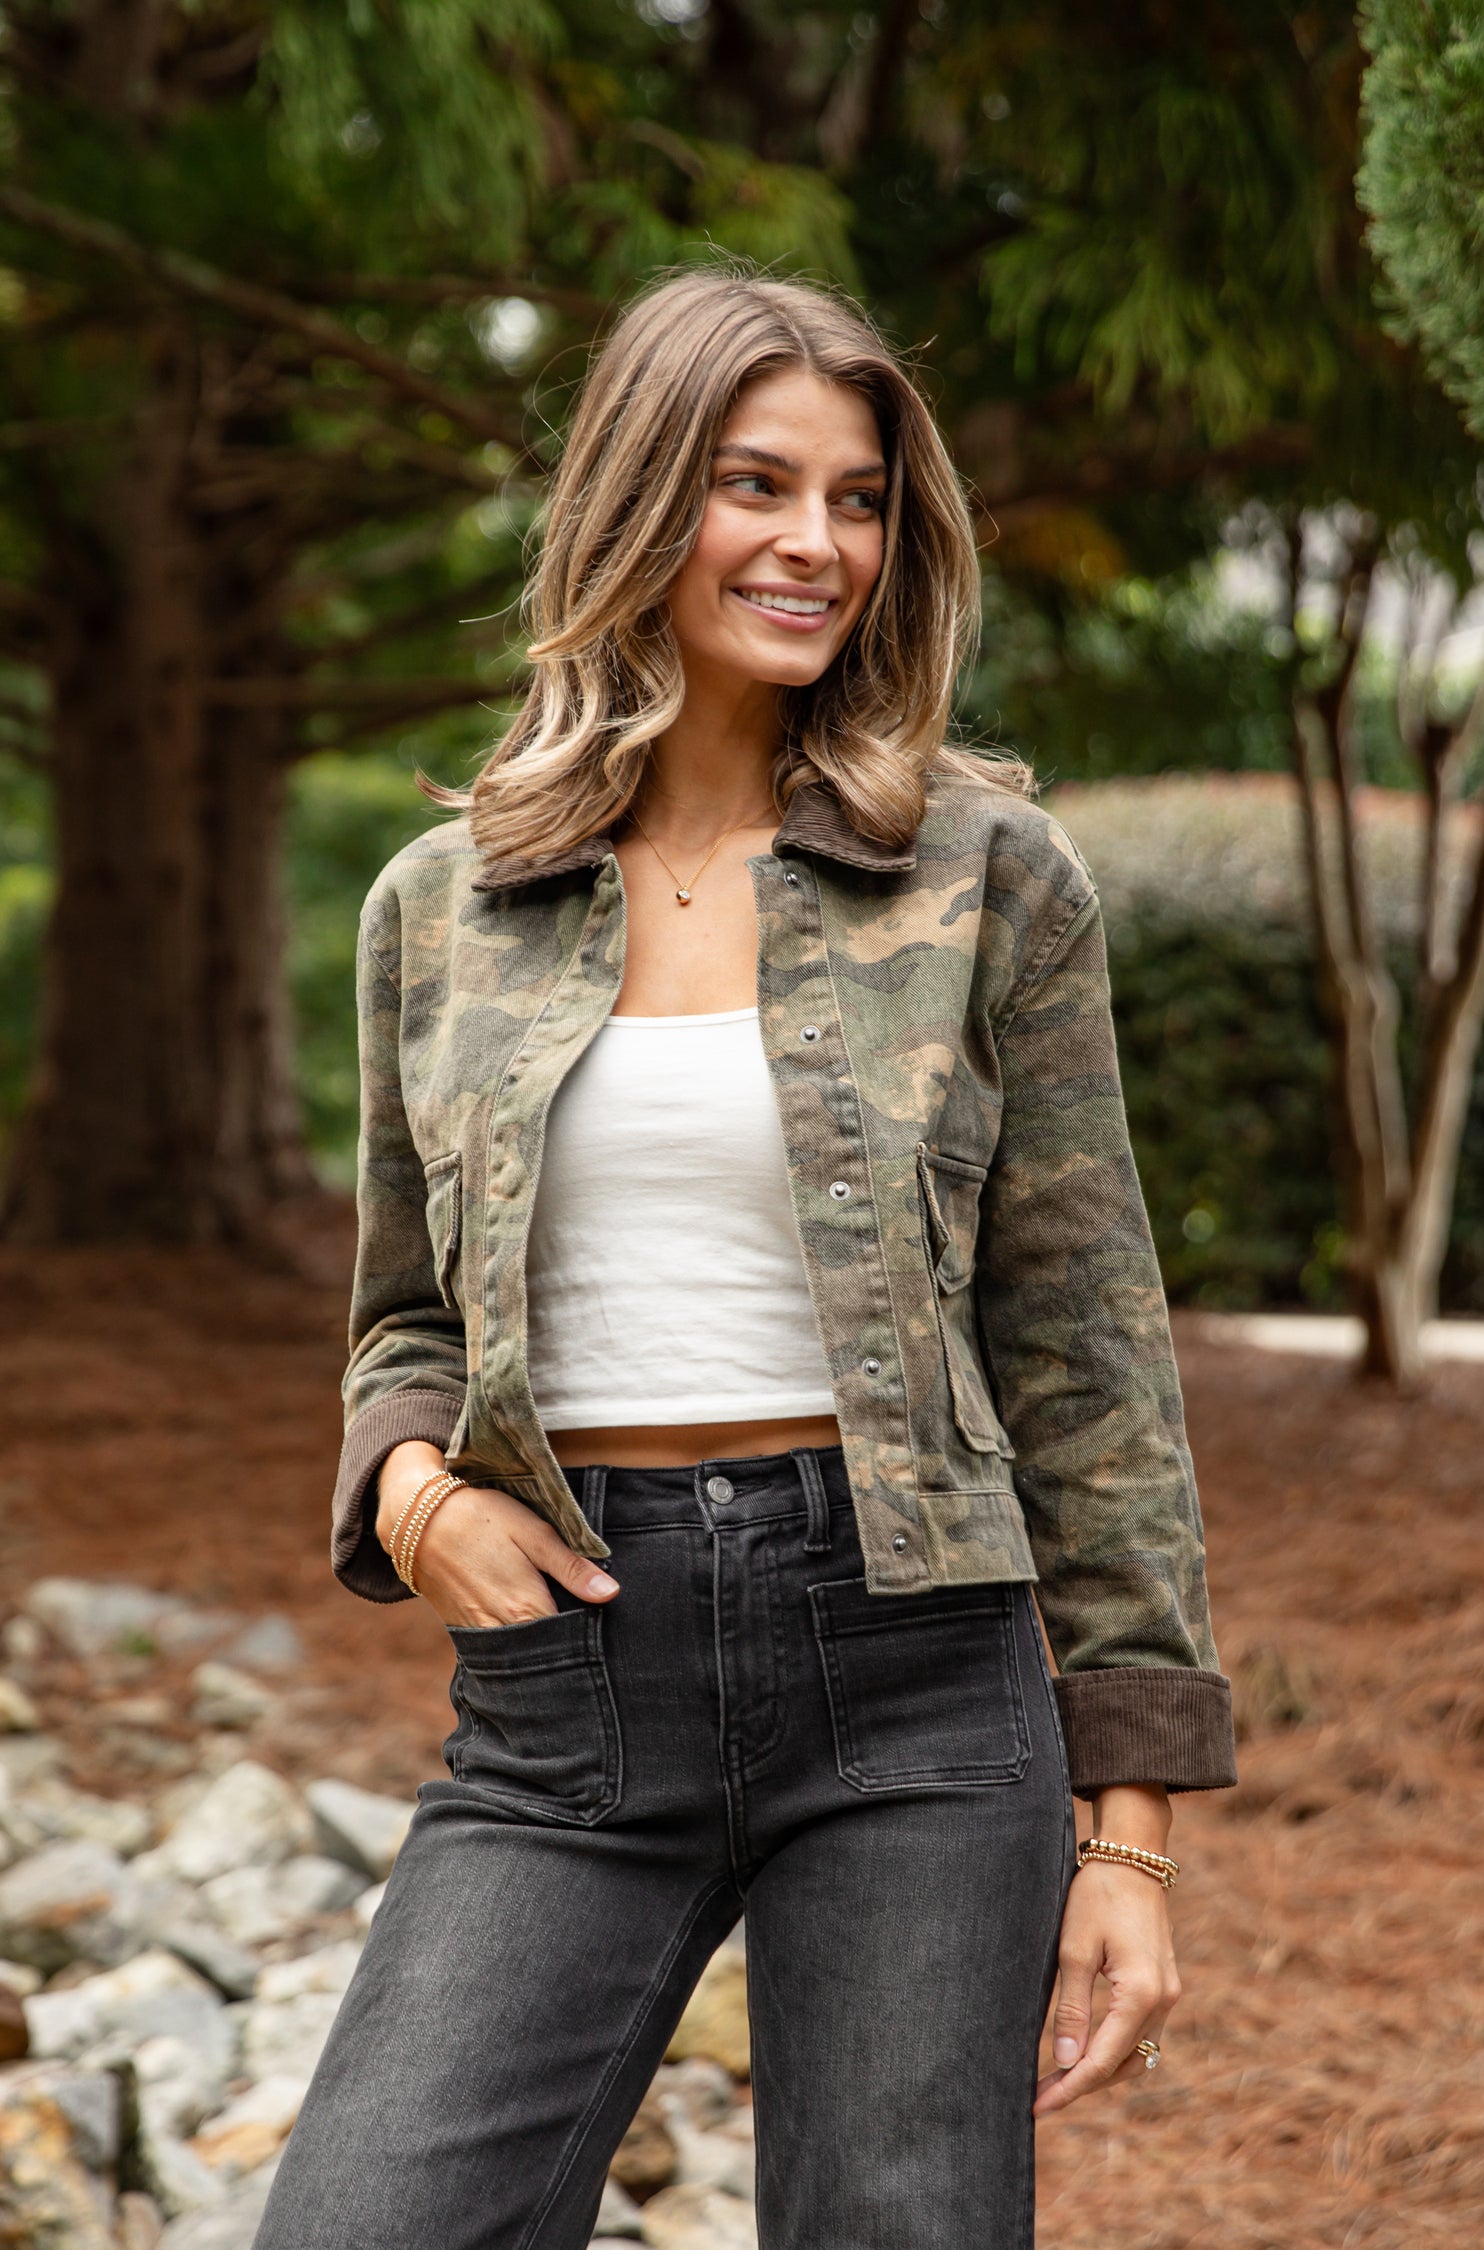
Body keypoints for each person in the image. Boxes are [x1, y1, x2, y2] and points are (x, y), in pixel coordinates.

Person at [254, 266, 1236, 2250]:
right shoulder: (441, 907)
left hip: (915, 1670)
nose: (815, 545)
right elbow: (404, 1313)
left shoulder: (986, 878)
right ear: (636, 503)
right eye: (754, 485)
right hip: (563, 1690)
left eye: (859, 499)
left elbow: (1087, 1347)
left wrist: (1128, 1841)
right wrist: (412, 1485)